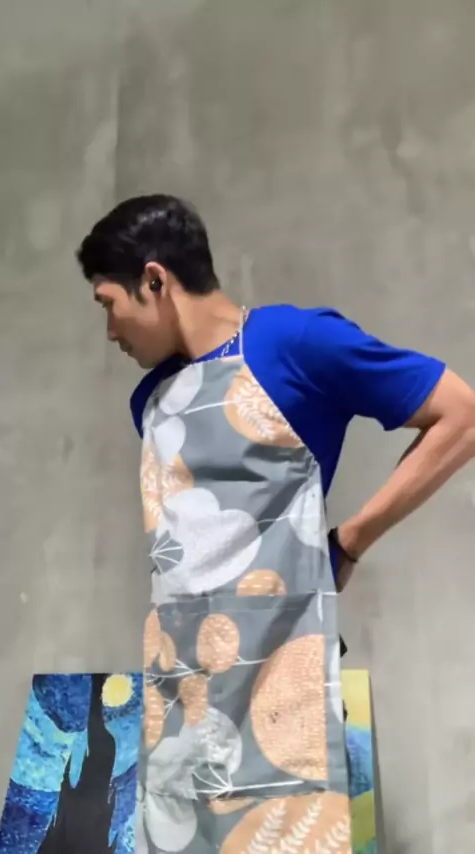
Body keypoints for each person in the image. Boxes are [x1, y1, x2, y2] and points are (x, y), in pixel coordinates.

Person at [77, 195, 475, 853]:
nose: (111, 332)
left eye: (108, 304)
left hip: (282, 702)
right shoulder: (150, 401)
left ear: (155, 281)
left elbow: (460, 416)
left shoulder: (294, 345)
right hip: (180, 708)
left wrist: (352, 540)